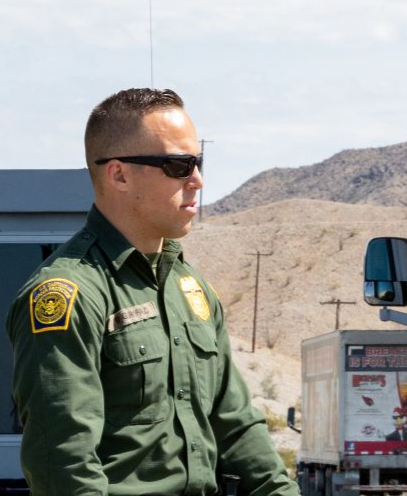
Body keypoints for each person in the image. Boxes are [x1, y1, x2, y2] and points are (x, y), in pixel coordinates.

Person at [4, 88, 299, 496]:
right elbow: (64, 461)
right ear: (119, 174)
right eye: (178, 165)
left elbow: (235, 424)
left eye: (198, 162)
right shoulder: (69, 293)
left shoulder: (189, 288)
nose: (197, 180)